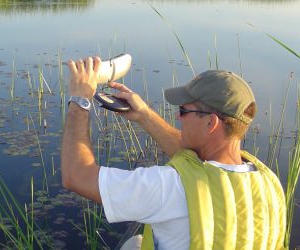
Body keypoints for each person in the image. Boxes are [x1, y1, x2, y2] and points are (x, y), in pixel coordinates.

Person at [61, 56, 286, 250]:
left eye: (184, 110)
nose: (179, 118)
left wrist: (80, 99)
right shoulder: (269, 182)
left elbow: (77, 176)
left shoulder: (171, 187)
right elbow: (200, 162)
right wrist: (144, 115)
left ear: (211, 123)